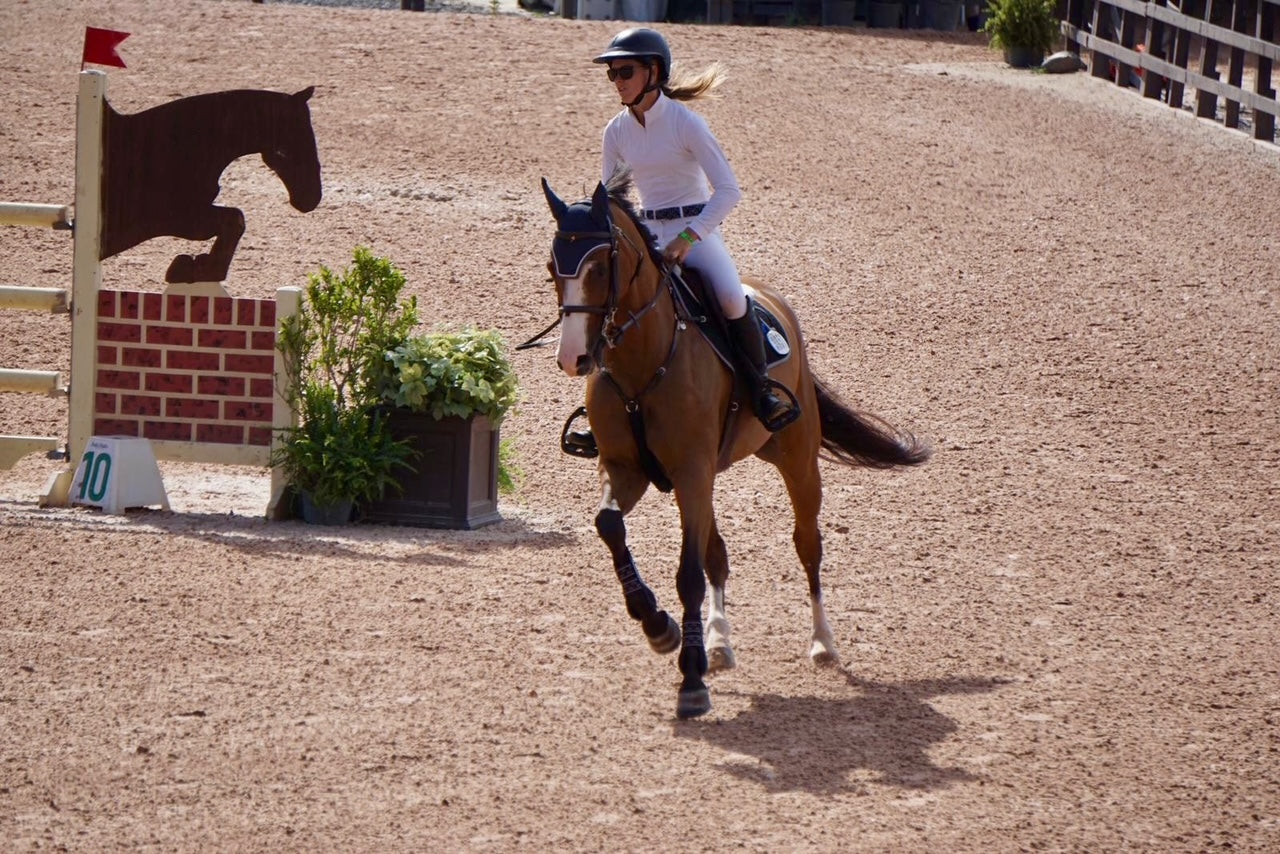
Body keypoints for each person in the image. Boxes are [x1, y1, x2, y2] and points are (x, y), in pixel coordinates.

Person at [563, 28, 794, 456]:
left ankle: (762, 392)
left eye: (625, 71)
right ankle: (597, 413)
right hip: (646, 234)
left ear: (653, 72)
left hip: (695, 228)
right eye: (612, 74)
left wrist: (689, 237)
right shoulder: (615, 132)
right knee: (613, 302)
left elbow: (728, 190)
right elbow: (611, 199)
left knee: (729, 298)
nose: (617, 81)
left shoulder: (686, 123)